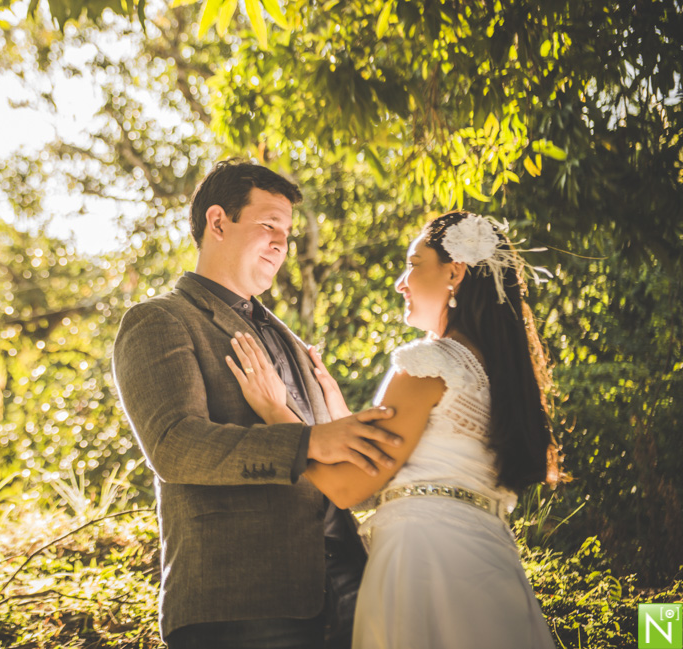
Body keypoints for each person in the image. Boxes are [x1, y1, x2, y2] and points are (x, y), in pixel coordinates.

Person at [230, 210, 558, 649]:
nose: (402, 281)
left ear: (454, 272)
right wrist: (336, 407)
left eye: (414, 263)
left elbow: (348, 489)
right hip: (488, 557)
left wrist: (275, 412)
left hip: (427, 558)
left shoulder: (430, 363)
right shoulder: (495, 369)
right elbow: (412, 458)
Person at [112, 160, 403, 649]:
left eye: (286, 234)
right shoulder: (159, 320)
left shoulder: (290, 337)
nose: (280, 244)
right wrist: (311, 439)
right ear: (218, 222)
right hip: (240, 599)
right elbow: (174, 446)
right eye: (269, 225)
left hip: (348, 586)